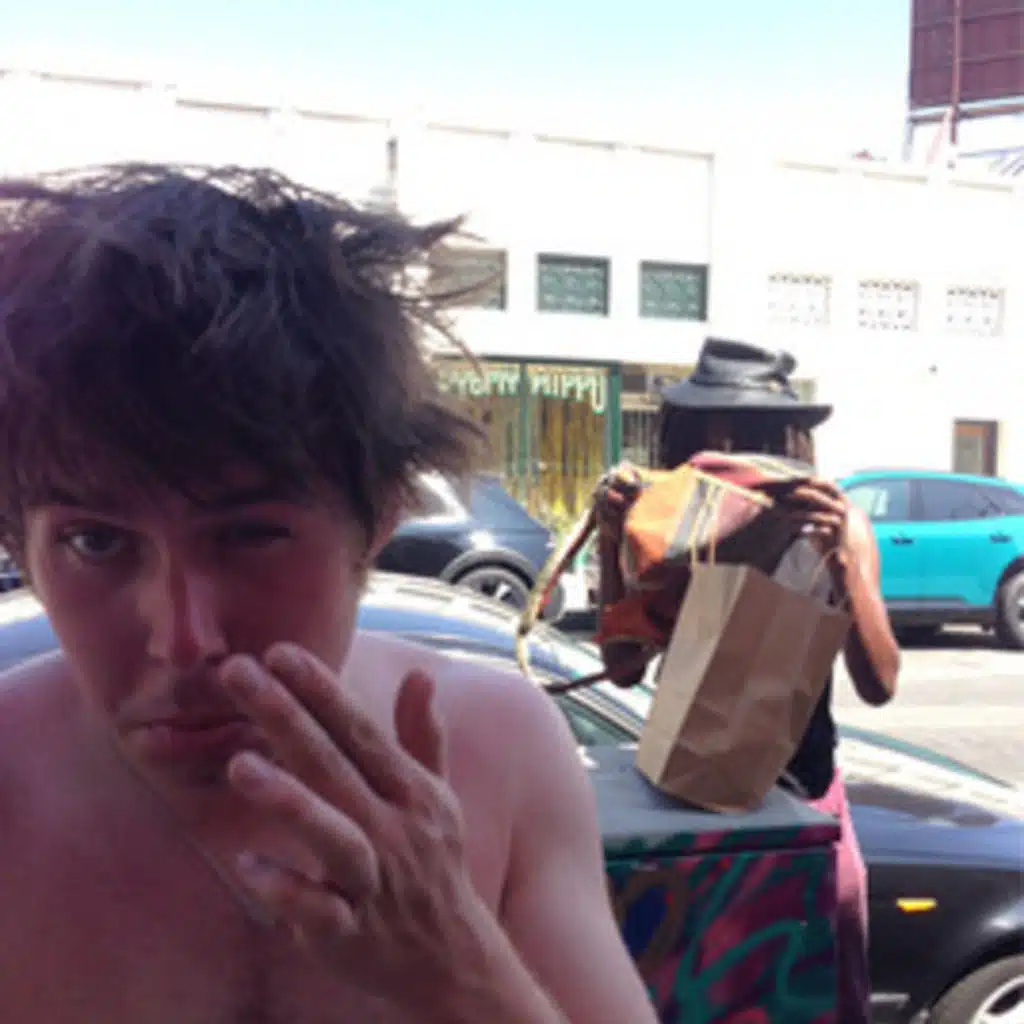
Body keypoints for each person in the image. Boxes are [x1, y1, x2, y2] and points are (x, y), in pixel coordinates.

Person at [0, 165, 659, 1024]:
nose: (184, 638)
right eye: (95, 541)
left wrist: (459, 969)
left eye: (250, 534)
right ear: (20, 545)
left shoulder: (502, 749)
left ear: (380, 517)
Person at [654, 337, 901, 1024]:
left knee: (821, 992)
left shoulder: (837, 522)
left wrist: (844, 567)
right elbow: (622, 665)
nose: (730, 447)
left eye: (749, 433)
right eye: (714, 432)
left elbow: (881, 683)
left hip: (804, 803)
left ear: (785, 438)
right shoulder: (678, 521)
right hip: (693, 803)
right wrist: (624, 549)